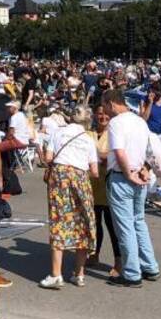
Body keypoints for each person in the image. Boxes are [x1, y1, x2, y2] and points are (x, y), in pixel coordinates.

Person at [102, 89, 160, 287]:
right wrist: (144, 169)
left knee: (125, 226)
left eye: (104, 106)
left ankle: (132, 273)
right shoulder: (139, 121)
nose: (103, 110)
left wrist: (128, 173)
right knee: (138, 222)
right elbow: (151, 150)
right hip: (139, 174)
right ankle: (150, 266)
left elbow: (119, 151)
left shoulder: (116, 123)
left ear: (111, 103)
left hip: (122, 177)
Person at [39, 106, 99, 289]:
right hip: (81, 178)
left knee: (59, 221)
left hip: (60, 178)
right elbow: (95, 172)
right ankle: (79, 273)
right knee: (82, 223)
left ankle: (56, 274)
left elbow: (48, 158)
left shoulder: (59, 132)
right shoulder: (88, 139)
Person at [89, 105, 122, 276]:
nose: (102, 117)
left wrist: (96, 155)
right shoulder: (89, 133)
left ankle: (118, 261)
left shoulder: (114, 134)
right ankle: (94, 254)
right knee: (94, 225)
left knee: (112, 226)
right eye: (99, 113)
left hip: (109, 186)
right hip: (91, 186)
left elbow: (115, 156)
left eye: (105, 114)